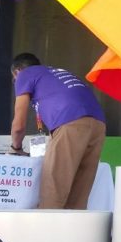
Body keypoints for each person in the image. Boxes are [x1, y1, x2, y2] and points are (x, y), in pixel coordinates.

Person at [8, 53, 106, 209]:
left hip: (71, 122)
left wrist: (16, 148)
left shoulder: (24, 75)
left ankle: (46, 226)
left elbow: (18, 126)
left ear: (17, 71)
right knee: (78, 199)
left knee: (53, 193)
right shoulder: (56, 73)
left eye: (14, 79)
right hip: (98, 125)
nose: (16, 82)